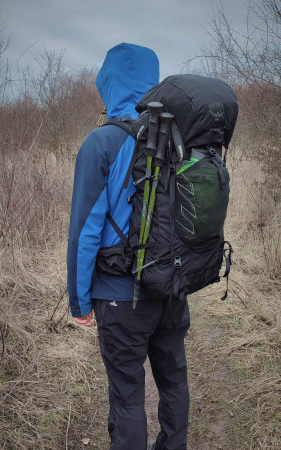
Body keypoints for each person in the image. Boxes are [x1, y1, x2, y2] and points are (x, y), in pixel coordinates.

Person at [67, 43, 190, 450]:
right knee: (174, 382)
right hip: (172, 288)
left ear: (109, 83)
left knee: (127, 395)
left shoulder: (102, 142)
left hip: (121, 297)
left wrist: (79, 300)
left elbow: (86, 229)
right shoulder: (177, 138)